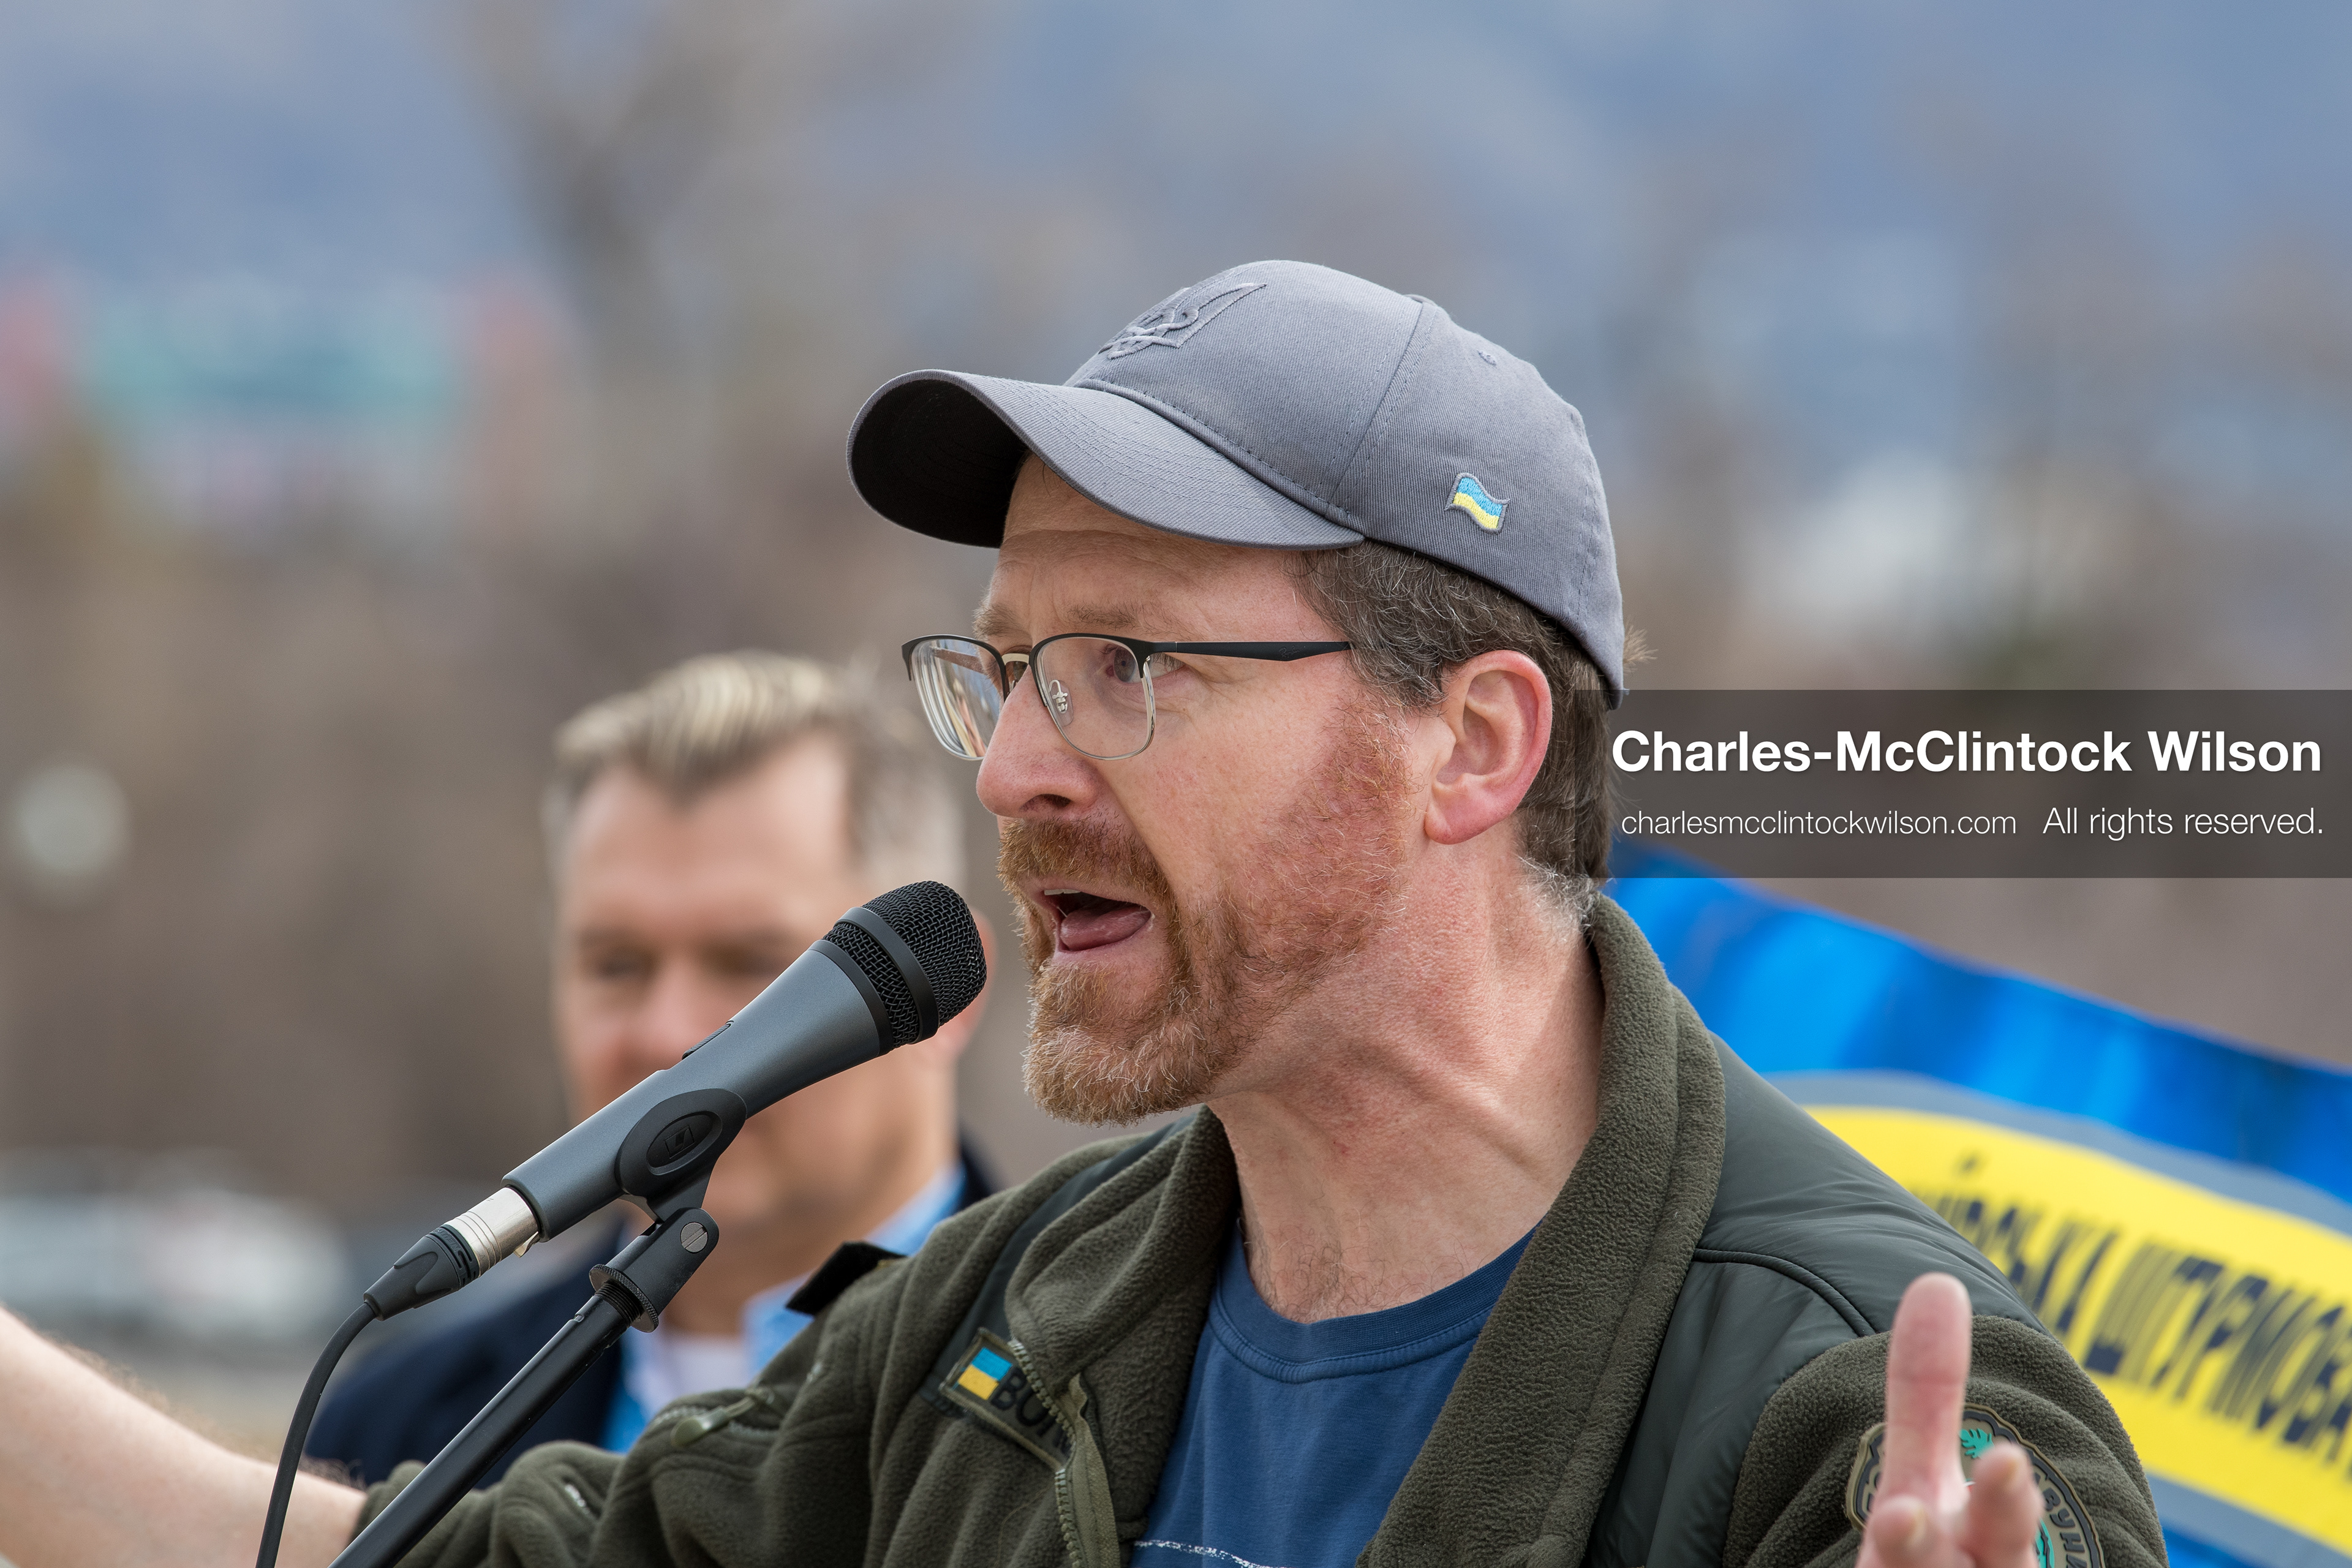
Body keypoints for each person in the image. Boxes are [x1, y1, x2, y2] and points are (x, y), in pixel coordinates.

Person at [0, 262, 2165, 1568]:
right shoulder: (1016, 1310)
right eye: (1006, 666)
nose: (1018, 764)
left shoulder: (1856, 1407)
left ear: (1477, 741)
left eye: (1136, 665)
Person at [305, 652, 998, 1486]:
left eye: (755, 965)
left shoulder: (1111, 1372)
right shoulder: (390, 1430)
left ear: (940, 993)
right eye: (617, 965)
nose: (667, 1032)